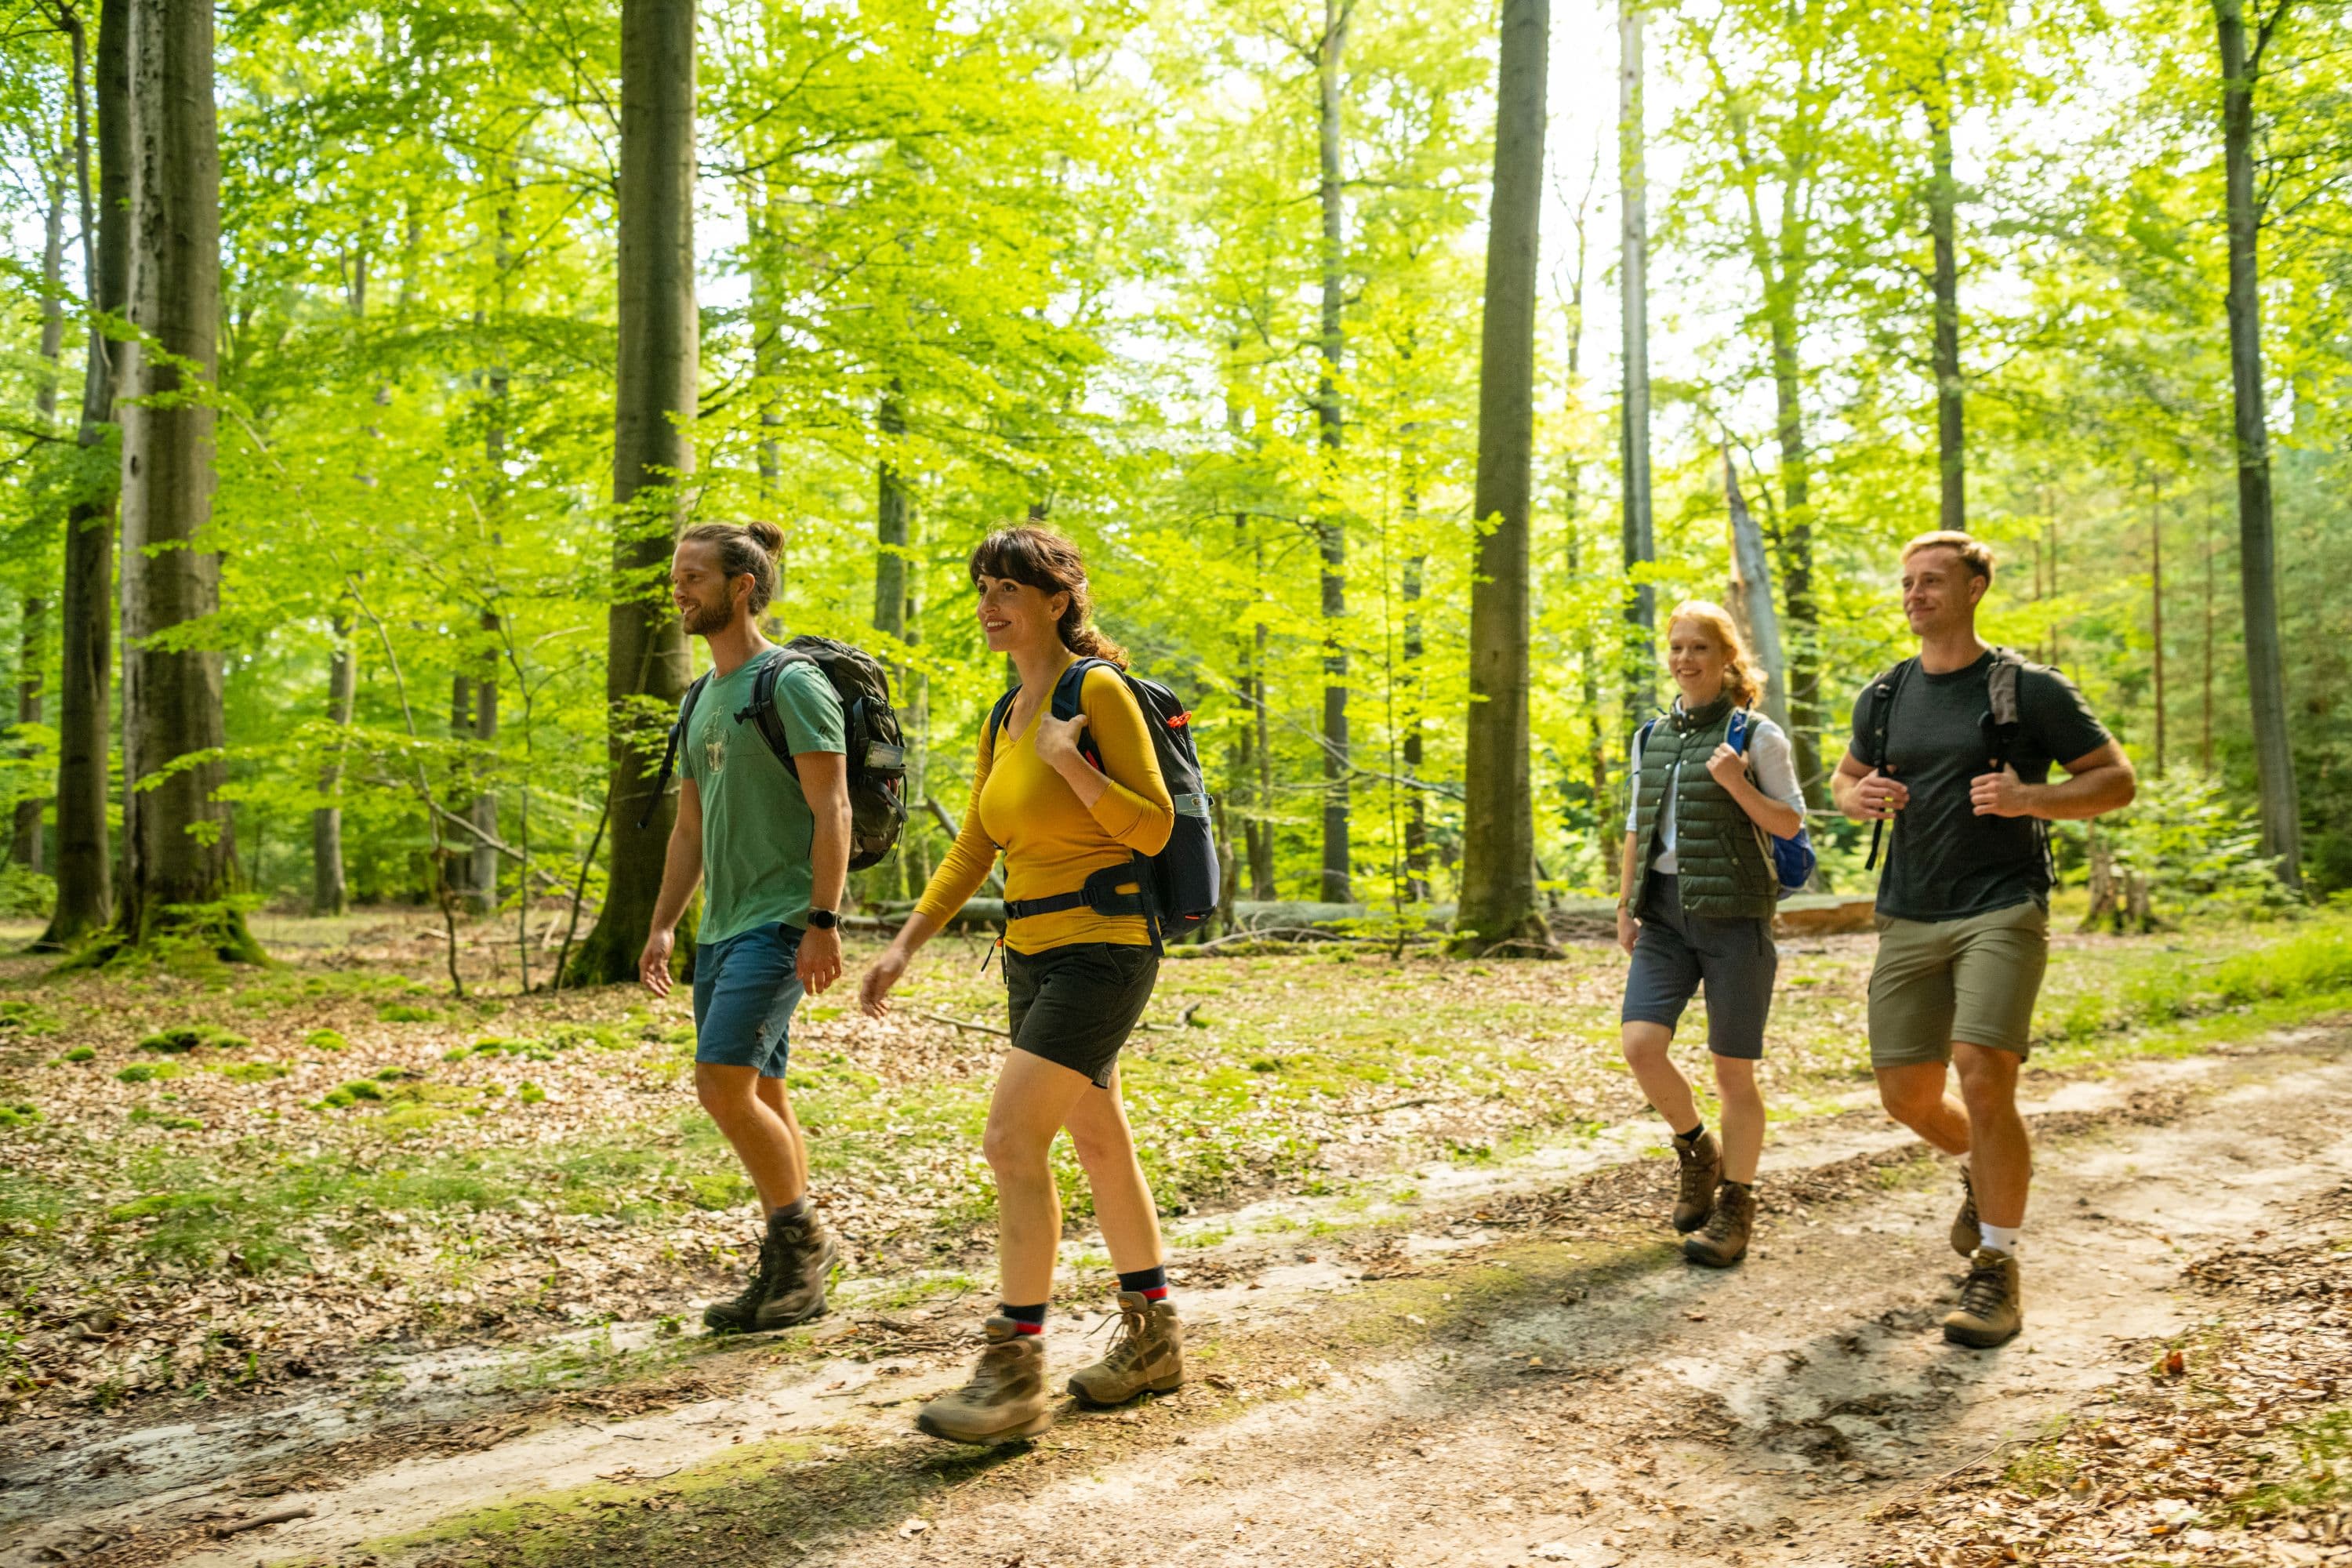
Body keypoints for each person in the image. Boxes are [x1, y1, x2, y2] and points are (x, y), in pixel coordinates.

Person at [859, 524, 1178, 1446]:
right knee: (1099, 1139)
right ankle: (1154, 1339)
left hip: (1104, 949)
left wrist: (1073, 761)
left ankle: (1011, 1372)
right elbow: (973, 845)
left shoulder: (1098, 691)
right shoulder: (1004, 715)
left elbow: (1153, 828)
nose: (991, 603)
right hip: (1032, 955)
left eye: (1009, 586)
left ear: (1058, 597)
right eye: (983, 586)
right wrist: (906, 944)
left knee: (1009, 1139)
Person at [1833, 531, 2135, 1348]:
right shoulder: (1886, 693)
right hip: (1908, 909)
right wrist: (1862, 797)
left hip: (2002, 904)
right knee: (1905, 1095)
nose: (1915, 593)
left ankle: (1996, 1267)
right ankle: (1991, 1169)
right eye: (1907, 582)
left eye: (1933, 580)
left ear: (1975, 588)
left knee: (1981, 1067)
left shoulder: (2026, 687)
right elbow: (1843, 777)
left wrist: (2029, 795)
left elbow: (2116, 779)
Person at [638, 521, 852, 1334]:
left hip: (781, 917)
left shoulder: (790, 682)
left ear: (741, 586)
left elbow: (831, 806)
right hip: (723, 926)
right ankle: (790, 1269)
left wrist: (823, 920)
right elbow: (689, 827)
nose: (679, 589)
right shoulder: (700, 697)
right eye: (675, 577)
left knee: (720, 1083)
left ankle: (806, 1247)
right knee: (762, 1089)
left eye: (693, 576)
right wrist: (665, 924)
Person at [1616, 601, 1807, 1268]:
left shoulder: (1758, 736)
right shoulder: (1650, 736)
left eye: (1699, 647)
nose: (1685, 659)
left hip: (1736, 919)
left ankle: (1736, 1204)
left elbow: (1790, 825)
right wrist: (1625, 905)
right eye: (1676, 647)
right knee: (1641, 1044)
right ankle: (1696, 1149)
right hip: (1665, 916)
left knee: (1734, 1074)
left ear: (1727, 658)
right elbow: (1639, 826)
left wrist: (1735, 783)